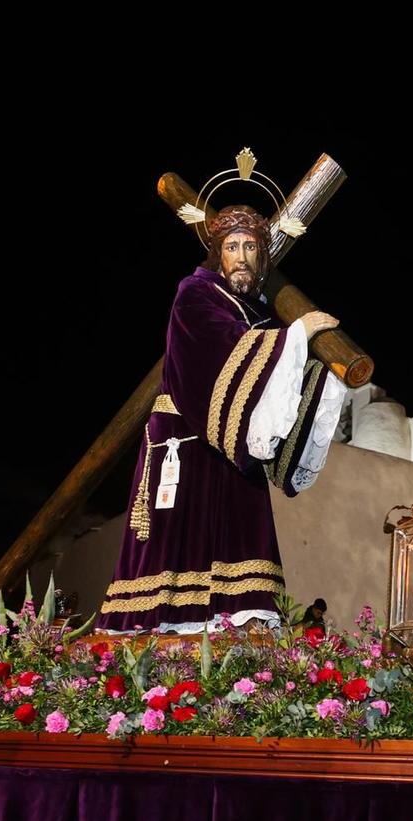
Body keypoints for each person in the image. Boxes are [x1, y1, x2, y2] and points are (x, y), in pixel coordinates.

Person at [95, 203, 346, 632]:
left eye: (251, 246)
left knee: (241, 545)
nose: (242, 256)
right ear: (218, 253)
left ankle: (242, 622)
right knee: (181, 547)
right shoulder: (196, 293)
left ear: (262, 257)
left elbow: (272, 373)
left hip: (235, 443)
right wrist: (295, 337)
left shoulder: (260, 309)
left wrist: (315, 361)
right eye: (232, 246)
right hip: (189, 440)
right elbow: (222, 350)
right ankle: (168, 621)